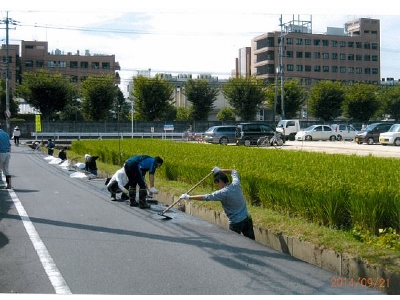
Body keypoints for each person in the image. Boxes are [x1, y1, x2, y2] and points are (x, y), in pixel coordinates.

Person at [180, 167, 255, 240]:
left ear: (220, 181)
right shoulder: (236, 184)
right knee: (252, 242)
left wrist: (189, 197)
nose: (218, 186)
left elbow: (207, 197)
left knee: (234, 244)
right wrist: (220, 170)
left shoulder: (223, 193)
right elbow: (233, 171)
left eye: (217, 184)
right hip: (246, 219)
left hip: (235, 223)